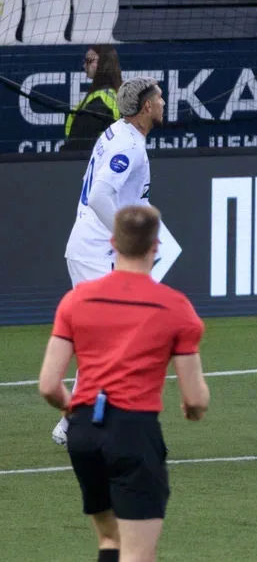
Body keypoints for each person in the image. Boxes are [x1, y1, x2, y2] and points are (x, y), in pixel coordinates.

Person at [39, 205, 209, 562]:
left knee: (110, 540)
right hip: (133, 431)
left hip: (84, 433)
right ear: (156, 245)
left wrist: (73, 409)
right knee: (137, 552)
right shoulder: (175, 307)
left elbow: (49, 385)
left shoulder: (76, 300)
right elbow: (195, 398)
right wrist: (193, 410)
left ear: (113, 242)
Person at [59, 76, 166, 447]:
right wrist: (126, 239)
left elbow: (120, 194)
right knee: (115, 340)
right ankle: (81, 421)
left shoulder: (119, 132)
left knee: (109, 339)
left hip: (89, 248)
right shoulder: (129, 145)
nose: (163, 102)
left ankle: (77, 420)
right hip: (96, 253)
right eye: (159, 98)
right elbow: (100, 196)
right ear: (146, 107)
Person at [65, 45, 122, 151]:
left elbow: (79, 143)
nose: (84, 65)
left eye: (89, 61)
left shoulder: (99, 101)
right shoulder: (115, 93)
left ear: (104, 63)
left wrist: (64, 154)